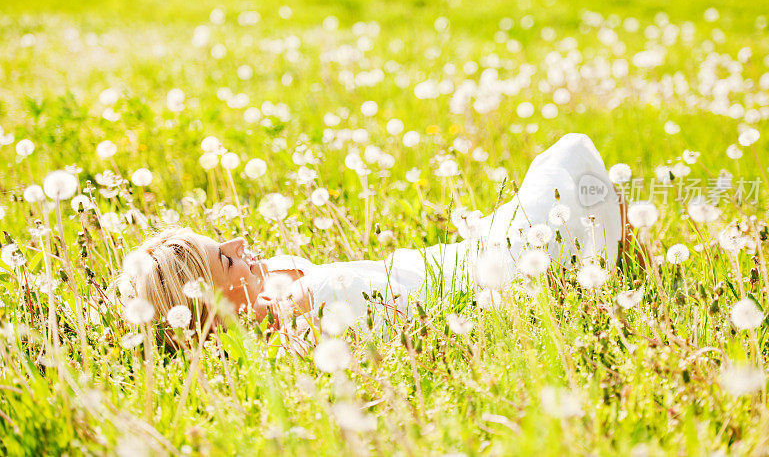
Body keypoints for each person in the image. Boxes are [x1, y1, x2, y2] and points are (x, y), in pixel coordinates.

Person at [114, 133, 632, 342]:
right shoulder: (294, 330)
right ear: (207, 314)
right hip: (474, 284)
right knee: (567, 169)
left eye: (221, 242)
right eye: (225, 263)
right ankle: (611, 240)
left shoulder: (271, 283)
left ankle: (609, 234)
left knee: (567, 171)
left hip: (453, 257)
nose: (238, 247)